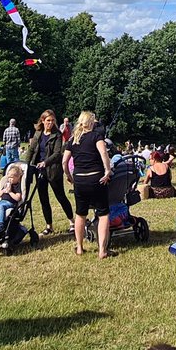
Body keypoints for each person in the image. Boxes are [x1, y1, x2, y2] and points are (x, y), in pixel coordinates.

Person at [63, 110, 114, 259]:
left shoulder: (73, 139)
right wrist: (107, 171)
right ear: (91, 123)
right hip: (96, 178)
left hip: (79, 179)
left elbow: (64, 161)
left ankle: (79, 247)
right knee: (103, 214)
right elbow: (104, 153)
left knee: (80, 214)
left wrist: (68, 176)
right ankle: (102, 251)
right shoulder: (96, 136)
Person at [24, 110, 74, 236]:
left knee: (60, 196)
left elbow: (57, 153)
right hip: (39, 170)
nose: (50, 123)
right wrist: (25, 165)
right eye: (48, 121)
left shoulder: (57, 134)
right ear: (42, 121)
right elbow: (31, 150)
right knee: (43, 198)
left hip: (53, 170)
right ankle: (49, 226)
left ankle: (72, 222)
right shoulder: (38, 133)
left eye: (52, 121)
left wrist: (45, 162)